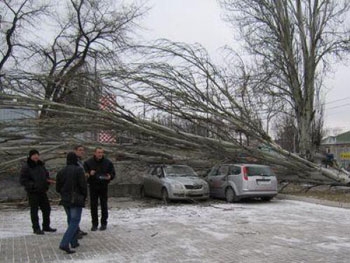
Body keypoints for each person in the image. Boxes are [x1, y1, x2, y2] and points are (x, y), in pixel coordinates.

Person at [56, 152, 87, 254]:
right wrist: (84, 196)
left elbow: (57, 188)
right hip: (76, 199)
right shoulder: (79, 170)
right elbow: (83, 186)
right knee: (74, 221)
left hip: (65, 199)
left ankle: (73, 242)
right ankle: (65, 243)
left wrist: (64, 193)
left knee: (70, 220)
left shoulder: (61, 171)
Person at [20, 149, 57, 235]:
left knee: (47, 209)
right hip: (33, 192)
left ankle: (46, 226)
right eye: (34, 155)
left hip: (42, 191)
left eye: (37, 154)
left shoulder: (41, 165)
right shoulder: (26, 166)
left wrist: (47, 182)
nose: (36, 156)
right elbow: (23, 180)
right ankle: (36, 228)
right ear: (30, 156)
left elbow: (46, 176)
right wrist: (33, 186)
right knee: (34, 210)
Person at [84, 147, 115, 231]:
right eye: (98, 152)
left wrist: (110, 176)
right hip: (93, 185)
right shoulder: (88, 162)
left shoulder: (108, 162)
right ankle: (94, 224)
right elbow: (84, 174)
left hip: (103, 185)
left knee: (104, 204)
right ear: (95, 153)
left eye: (101, 152)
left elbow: (112, 173)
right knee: (93, 205)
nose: (100, 154)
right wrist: (89, 173)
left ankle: (104, 223)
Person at [73, 145, 88, 239]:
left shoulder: (80, 162)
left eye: (83, 150)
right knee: (74, 214)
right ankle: (74, 231)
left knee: (78, 213)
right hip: (75, 190)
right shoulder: (74, 163)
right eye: (80, 150)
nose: (82, 152)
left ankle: (76, 229)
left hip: (81, 188)